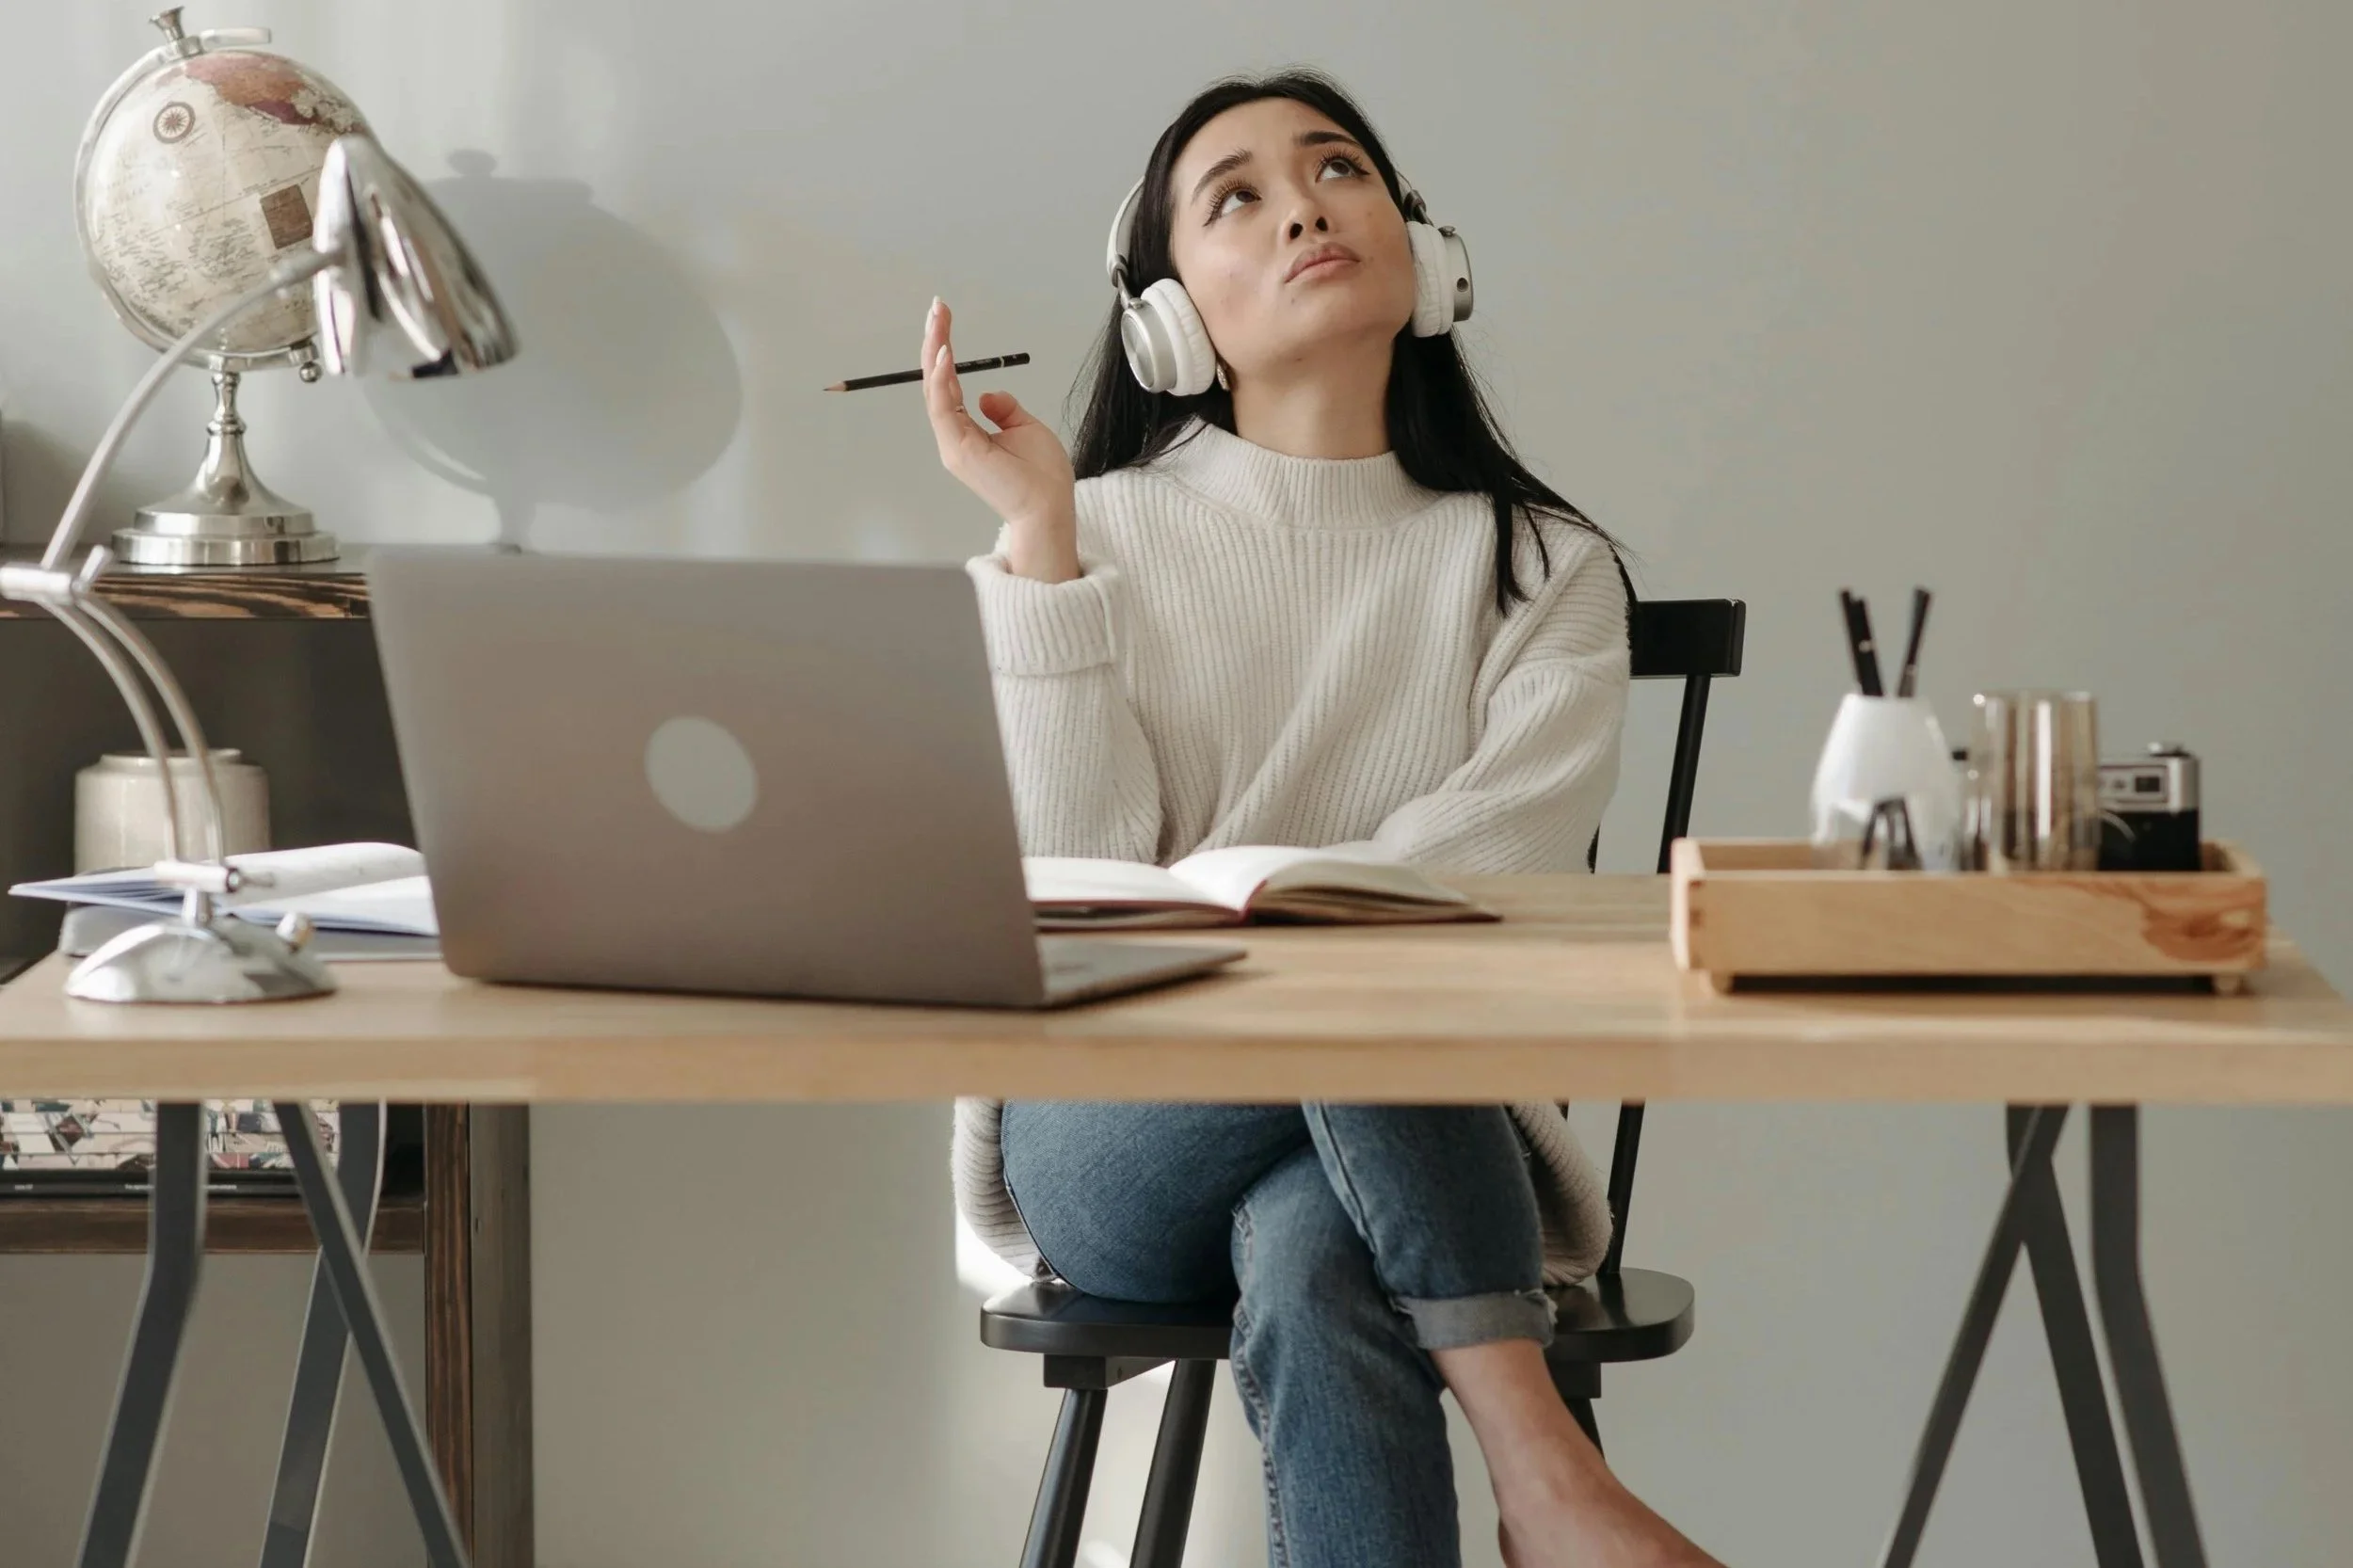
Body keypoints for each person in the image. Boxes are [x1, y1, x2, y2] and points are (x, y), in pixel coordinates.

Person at [921, 67, 1723, 1568]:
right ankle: (1540, 1468)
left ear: (1427, 251)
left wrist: (1277, 917)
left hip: (1413, 1133)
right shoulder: (1095, 532)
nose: (1302, 203)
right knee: (1361, 983)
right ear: (1169, 317)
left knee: (1313, 1241)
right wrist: (1038, 545)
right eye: (1236, 194)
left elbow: (1499, 885)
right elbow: (1069, 885)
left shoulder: (1541, 568)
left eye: (1338, 168)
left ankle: (1539, 1488)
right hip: (1116, 1132)